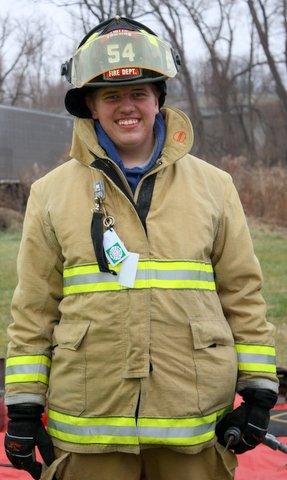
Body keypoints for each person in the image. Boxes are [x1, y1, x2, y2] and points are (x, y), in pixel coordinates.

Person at [4, 16, 278, 480]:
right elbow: (34, 309)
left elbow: (243, 295)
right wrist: (25, 407)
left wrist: (258, 390)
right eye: (111, 95)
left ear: (158, 100)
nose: (126, 107)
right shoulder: (50, 194)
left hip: (194, 430)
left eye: (139, 93)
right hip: (90, 428)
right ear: (90, 104)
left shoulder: (216, 187)